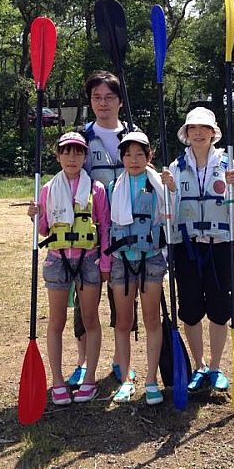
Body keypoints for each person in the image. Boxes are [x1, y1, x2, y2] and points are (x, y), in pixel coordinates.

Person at [160, 107, 234, 392]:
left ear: (212, 132)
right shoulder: (175, 167)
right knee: (191, 308)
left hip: (220, 245)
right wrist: (171, 189)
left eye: (203, 128)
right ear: (186, 133)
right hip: (187, 246)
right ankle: (199, 365)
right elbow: (168, 213)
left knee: (220, 309)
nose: (198, 133)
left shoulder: (228, 164)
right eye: (192, 128)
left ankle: (216, 367)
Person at [67, 71, 139, 389]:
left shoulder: (133, 135)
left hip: (125, 231)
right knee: (85, 299)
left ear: (120, 101)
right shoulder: (81, 137)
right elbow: (69, 178)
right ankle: (83, 361)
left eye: (109, 97)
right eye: (96, 97)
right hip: (90, 232)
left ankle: (122, 361)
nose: (103, 103)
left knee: (123, 297)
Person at [27, 131, 111, 405]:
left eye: (78, 152)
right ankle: (58, 381)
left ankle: (90, 380)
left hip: (88, 260)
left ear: (85, 157)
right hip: (58, 260)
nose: (72, 157)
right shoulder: (48, 189)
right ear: (58, 156)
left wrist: (105, 263)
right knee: (57, 321)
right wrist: (35, 215)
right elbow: (44, 230)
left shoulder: (96, 189)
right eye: (66, 152)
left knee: (90, 320)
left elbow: (105, 226)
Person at [106, 131, 167, 404]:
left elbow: (172, 213)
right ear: (121, 158)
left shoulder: (159, 185)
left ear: (149, 156)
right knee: (123, 321)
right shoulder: (112, 188)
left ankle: (151, 380)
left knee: (152, 319)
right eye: (128, 154)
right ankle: (126, 381)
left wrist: (171, 187)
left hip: (150, 258)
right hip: (122, 260)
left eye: (139, 154)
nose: (133, 160)